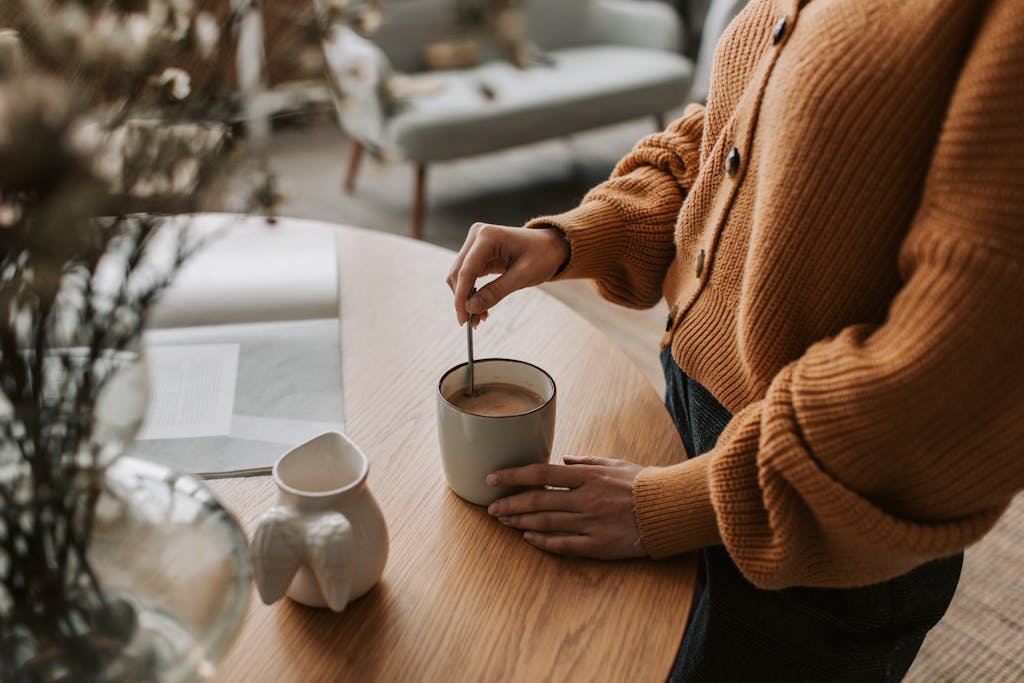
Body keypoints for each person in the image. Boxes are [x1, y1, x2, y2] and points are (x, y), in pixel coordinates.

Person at [445, 0, 1024, 679]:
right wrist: (576, 234)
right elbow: (733, 126)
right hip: (690, 419)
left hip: (820, 512)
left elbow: (956, 379)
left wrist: (678, 505)